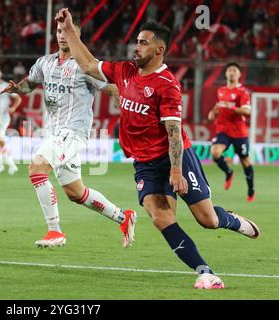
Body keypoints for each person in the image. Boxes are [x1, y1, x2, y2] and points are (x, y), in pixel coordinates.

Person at [55, 8, 260, 289]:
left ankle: (232, 220)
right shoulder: (124, 71)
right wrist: (68, 30)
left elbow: (173, 131)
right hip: (145, 162)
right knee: (160, 216)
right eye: (137, 41)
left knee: (208, 220)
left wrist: (176, 170)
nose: (136, 47)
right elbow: (89, 64)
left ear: (159, 49)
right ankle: (205, 272)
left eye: (143, 43)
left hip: (175, 158)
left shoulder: (167, 85)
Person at [1, 16, 137, 249]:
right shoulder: (45, 63)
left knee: (36, 167)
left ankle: (55, 231)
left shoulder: (86, 65)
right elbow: (30, 84)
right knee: (75, 192)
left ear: (77, 36)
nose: (63, 35)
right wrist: (17, 89)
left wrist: (125, 110)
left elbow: (112, 86)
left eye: (68, 31)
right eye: (59, 31)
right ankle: (124, 218)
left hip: (73, 133)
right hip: (54, 133)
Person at [207, 62, 255, 202]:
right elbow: (217, 108)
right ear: (226, 73)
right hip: (223, 130)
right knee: (215, 152)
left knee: (244, 160)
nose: (232, 72)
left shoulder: (243, 92)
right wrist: (212, 113)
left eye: (234, 70)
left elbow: (247, 111)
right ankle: (229, 172)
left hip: (239, 132)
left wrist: (232, 107)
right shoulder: (221, 90)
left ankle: (251, 190)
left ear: (239, 74)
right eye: (229, 70)